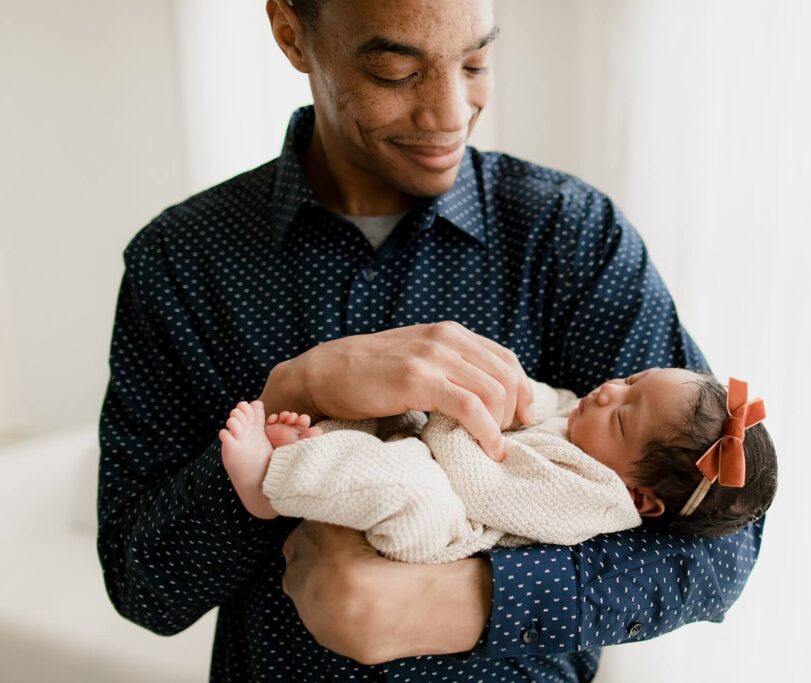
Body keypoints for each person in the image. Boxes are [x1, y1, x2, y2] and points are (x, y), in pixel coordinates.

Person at [96, 0, 767, 679]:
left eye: (476, 61)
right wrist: (291, 390)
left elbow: (722, 539)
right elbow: (142, 587)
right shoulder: (181, 263)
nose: (450, 112)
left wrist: (450, 601)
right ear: (291, 34)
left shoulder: (568, 236)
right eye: (395, 71)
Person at [218, 369, 776, 560]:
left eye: (624, 417)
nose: (607, 392)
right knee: (383, 416)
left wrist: (455, 415)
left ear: (638, 496)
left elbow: (486, 487)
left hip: (454, 518)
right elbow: (536, 400)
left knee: (403, 483)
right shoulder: (583, 425)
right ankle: (309, 445)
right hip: (439, 455)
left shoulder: (593, 500)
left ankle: (269, 486)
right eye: (630, 382)